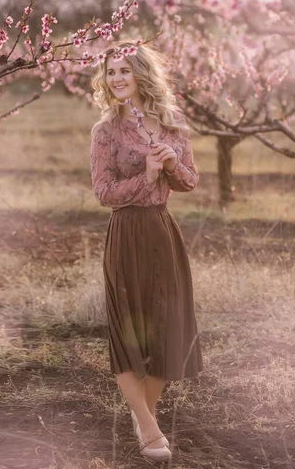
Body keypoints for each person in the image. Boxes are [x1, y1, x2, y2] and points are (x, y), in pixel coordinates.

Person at [90, 40, 204, 462]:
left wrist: (172, 164)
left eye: (124, 70)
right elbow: (103, 193)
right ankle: (150, 427)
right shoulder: (105, 131)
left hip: (162, 231)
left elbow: (190, 181)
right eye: (111, 71)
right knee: (126, 331)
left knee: (168, 327)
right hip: (125, 233)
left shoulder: (173, 124)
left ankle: (143, 416)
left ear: (141, 74)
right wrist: (146, 176)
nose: (117, 78)